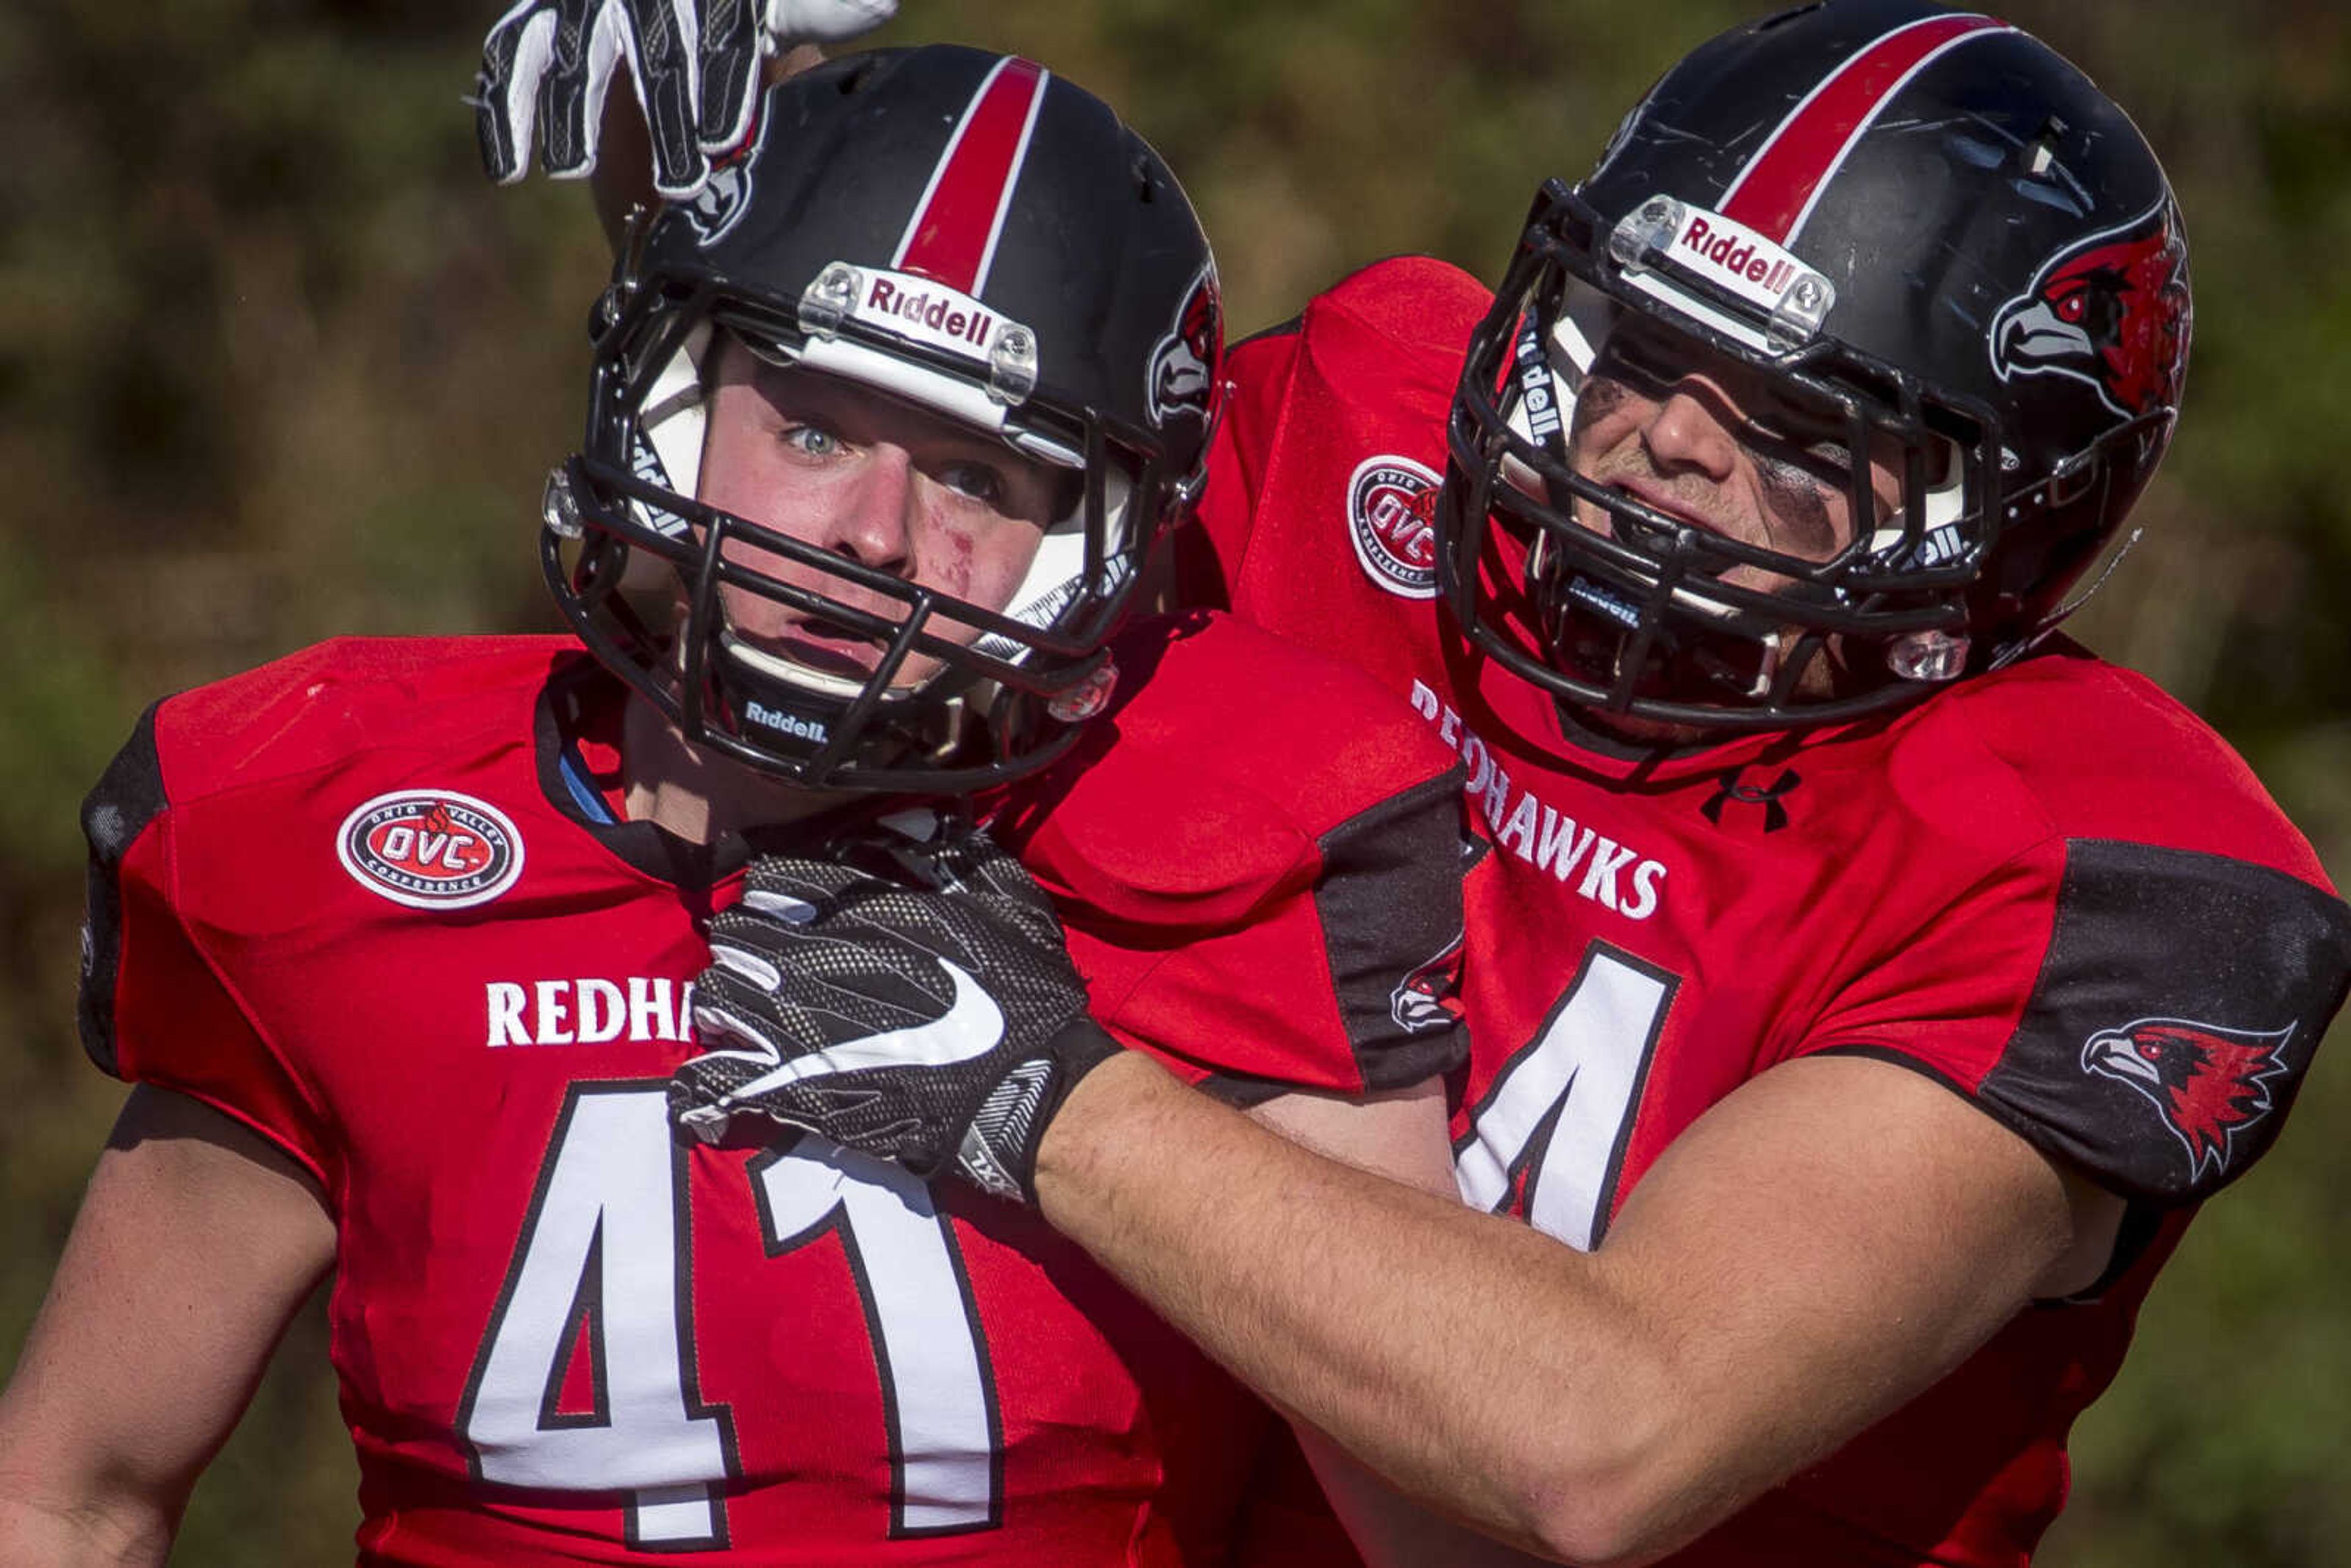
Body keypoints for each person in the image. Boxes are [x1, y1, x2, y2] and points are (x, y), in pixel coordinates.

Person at [656, 4, 2351, 1565]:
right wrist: (744, 191)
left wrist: (1044, 1095)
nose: (1672, 441)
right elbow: (903, 537)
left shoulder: (2094, 870)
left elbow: (1604, 1444)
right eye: (1643, 348)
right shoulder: (1365, 453)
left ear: (2007, 525)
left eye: (1799, 424)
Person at [0, 43, 1478, 1567]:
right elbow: (68, 1491)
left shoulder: (1233, 858)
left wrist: (1086, 1107)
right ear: (673, 414)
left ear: (1091, 546)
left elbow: (1458, 1533)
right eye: (817, 428)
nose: (876, 537)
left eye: (977, 476)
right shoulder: (349, 827)